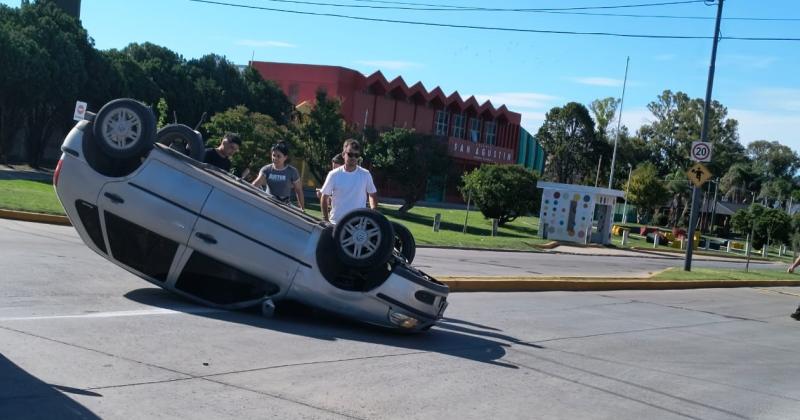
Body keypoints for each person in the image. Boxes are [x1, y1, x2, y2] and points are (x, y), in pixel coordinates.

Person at [319, 139, 377, 224]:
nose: (353, 157)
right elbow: (324, 197)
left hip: (358, 226)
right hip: (336, 223)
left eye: (356, 155)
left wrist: (373, 213)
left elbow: (372, 194)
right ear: (343, 155)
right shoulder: (333, 174)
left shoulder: (365, 174)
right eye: (350, 154)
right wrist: (325, 219)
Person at [251, 142, 304, 210]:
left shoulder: (292, 171)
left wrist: (302, 208)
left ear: (285, 157)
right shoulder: (266, 169)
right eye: (273, 155)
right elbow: (256, 184)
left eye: (278, 156)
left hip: (285, 205)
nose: (275, 158)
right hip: (268, 202)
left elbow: (299, 190)